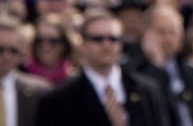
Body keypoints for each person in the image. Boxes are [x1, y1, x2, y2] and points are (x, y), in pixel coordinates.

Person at [36, 8, 171, 126]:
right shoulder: (58, 99)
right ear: (82, 44)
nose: (106, 45)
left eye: (113, 39)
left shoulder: (147, 91)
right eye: (98, 39)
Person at [136, 5, 193, 126]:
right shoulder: (134, 74)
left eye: (173, 32)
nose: (168, 39)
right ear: (146, 34)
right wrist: (157, 65)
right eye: (162, 32)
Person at [22, 13, 76, 85]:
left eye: (53, 41)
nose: (45, 47)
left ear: (64, 44)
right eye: (39, 41)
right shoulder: (22, 73)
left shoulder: (75, 78)